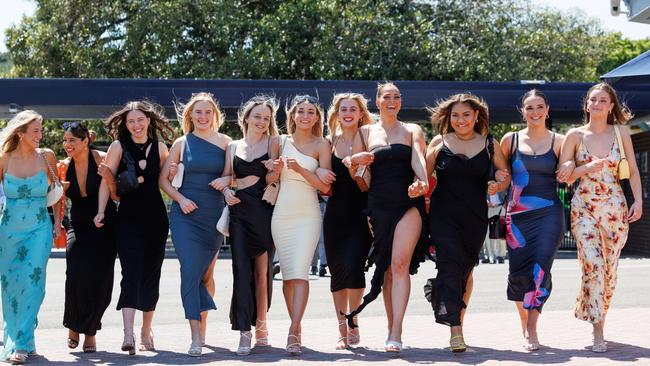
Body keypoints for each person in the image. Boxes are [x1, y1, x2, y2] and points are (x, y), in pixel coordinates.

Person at [558, 83, 642, 352]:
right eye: (592, 99)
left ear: (610, 105)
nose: (596, 103)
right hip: (584, 208)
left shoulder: (621, 133)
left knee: (609, 272)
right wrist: (584, 167)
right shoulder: (574, 135)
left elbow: (633, 171)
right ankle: (598, 331)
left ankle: (592, 309)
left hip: (615, 210)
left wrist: (638, 200)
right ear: (587, 104)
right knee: (593, 265)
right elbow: (563, 176)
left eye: (602, 100)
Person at [346, 83, 429, 353]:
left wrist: (422, 181)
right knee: (387, 267)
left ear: (400, 102)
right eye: (387, 96)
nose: (392, 101)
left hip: (408, 201)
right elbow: (356, 176)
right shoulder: (365, 131)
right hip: (378, 204)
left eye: (397, 97)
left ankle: (396, 331)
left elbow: (418, 156)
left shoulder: (412, 130)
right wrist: (354, 162)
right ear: (378, 101)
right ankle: (391, 326)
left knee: (400, 262)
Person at [425, 93, 510, 352]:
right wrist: (417, 186)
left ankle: (457, 319)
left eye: (466, 115)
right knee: (450, 263)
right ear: (448, 118)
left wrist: (498, 182)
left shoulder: (489, 144)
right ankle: (455, 330)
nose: (460, 120)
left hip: (474, 217)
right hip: (442, 215)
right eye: (455, 115)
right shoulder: (440, 142)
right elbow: (422, 174)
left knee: (466, 270)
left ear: (476, 117)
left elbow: (503, 176)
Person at [94, 100, 174, 355]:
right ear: (125, 124)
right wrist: (100, 210)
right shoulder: (118, 146)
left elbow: (166, 182)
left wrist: (173, 171)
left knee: (151, 275)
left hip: (156, 220)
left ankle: (145, 331)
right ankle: (128, 334)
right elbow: (107, 181)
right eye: (131, 121)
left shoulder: (161, 148)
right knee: (130, 275)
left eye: (140, 120)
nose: (136, 125)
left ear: (149, 121)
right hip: (127, 219)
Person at [160, 92, 229, 356]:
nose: (202, 117)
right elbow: (164, 180)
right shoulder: (181, 142)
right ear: (190, 116)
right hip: (184, 215)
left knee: (207, 275)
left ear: (214, 115)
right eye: (197, 112)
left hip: (212, 215)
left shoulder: (226, 143)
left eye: (207, 112)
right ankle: (195, 336)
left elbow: (231, 175)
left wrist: (227, 180)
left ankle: (204, 324)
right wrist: (180, 197)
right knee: (189, 270)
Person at [499, 89, 569, 351]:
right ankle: (525, 323)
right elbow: (500, 174)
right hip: (516, 216)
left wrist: (571, 168)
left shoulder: (560, 141)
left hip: (550, 213)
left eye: (540, 107)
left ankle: (532, 327)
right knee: (518, 271)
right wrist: (495, 184)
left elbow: (569, 171)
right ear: (522, 111)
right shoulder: (511, 140)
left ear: (547, 110)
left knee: (541, 267)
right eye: (530, 108)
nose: (535, 112)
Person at [269, 95, 333, 355]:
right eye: (301, 112)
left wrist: (302, 170)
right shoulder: (278, 141)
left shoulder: (322, 144)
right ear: (292, 115)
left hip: (308, 214)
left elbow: (326, 187)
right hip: (282, 213)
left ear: (317, 117)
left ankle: (294, 328)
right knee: (287, 275)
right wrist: (272, 168)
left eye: (311, 112)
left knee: (300, 272)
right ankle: (294, 322)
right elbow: (269, 178)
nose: (305, 116)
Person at [0, 110, 62, 364]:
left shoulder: (46, 156)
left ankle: (22, 343)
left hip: (39, 227)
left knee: (34, 283)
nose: (40, 134)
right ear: (21, 133)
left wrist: (58, 221)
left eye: (41, 130)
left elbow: (57, 190)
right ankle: (19, 340)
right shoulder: (3, 159)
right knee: (11, 286)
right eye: (35, 130)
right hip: (8, 229)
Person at [219, 96, 278, 356]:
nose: (262, 122)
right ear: (246, 118)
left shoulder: (274, 142)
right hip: (239, 212)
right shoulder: (232, 146)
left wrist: (273, 169)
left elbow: (276, 178)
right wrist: (225, 193)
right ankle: (244, 331)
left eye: (266, 118)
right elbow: (228, 177)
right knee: (241, 271)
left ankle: (262, 326)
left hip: (264, 211)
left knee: (262, 275)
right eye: (258, 116)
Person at [60, 122, 118, 353]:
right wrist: (57, 189)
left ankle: (90, 331)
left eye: (72, 140)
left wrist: (109, 176)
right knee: (74, 273)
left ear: (85, 141)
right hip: (78, 223)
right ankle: (74, 325)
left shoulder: (102, 159)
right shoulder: (63, 165)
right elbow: (55, 198)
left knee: (101, 279)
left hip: (105, 223)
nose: (67, 145)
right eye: (65, 140)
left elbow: (117, 195)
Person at [323, 93, 374, 349]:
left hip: (362, 214)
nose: (348, 112)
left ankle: (354, 323)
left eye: (353, 108)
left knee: (354, 268)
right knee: (338, 272)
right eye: (343, 108)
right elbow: (322, 183)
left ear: (361, 112)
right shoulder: (328, 142)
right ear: (337, 113)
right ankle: (341, 328)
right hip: (335, 215)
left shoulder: (370, 138)